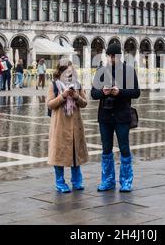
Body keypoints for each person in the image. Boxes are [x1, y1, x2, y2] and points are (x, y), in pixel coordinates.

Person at [91, 43, 140, 193]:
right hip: (105, 116)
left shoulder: (129, 71)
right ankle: (108, 180)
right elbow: (93, 93)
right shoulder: (101, 71)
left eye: (114, 56)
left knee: (124, 147)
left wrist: (120, 92)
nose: (111, 59)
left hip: (122, 115)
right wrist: (104, 92)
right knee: (106, 148)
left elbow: (136, 92)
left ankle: (126, 181)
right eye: (109, 56)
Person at [47, 62, 88, 193]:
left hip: (75, 126)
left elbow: (84, 103)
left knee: (75, 152)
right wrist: (63, 96)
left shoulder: (78, 85)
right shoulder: (54, 85)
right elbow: (50, 104)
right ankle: (60, 182)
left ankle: (77, 181)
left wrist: (76, 96)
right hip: (60, 126)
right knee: (59, 154)